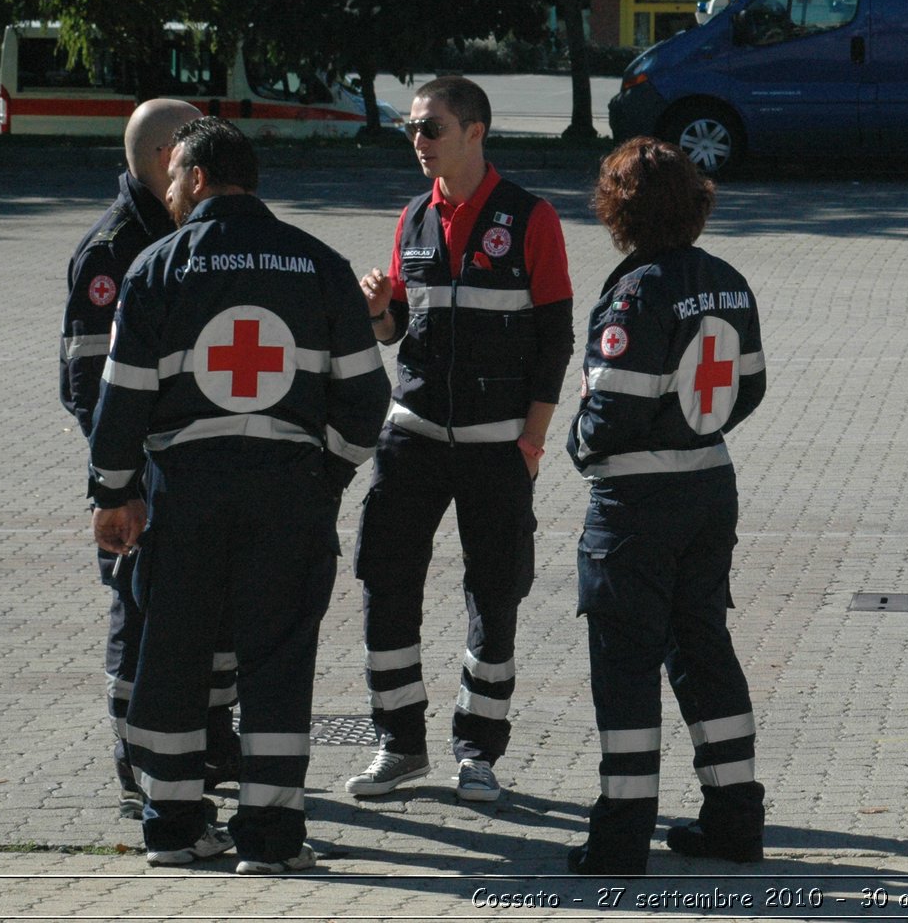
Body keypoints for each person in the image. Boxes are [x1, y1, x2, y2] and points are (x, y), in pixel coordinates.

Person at [88, 117, 391, 872]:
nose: (168, 197)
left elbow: (122, 397)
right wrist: (327, 475)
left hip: (185, 497)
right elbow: (365, 398)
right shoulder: (320, 265)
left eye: (172, 184)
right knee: (279, 666)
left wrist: (114, 493)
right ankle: (271, 839)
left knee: (175, 659)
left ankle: (175, 829)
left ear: (194, 178)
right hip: (289, 498)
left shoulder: (157, 266)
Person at [347, 76, 574, 803]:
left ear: (475, 132)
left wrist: (531, 443)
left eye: (431, 128)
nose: (418, 141)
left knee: (495, 592)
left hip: (496, 444)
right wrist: (381, 313)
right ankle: (398, 745)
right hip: (410, 435)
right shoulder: (414, 216)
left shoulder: (531, 218)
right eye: (413, 129)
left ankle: (477, 752)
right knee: (385, 581)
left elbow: (555, 341)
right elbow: (399, 336)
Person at [565, 138, 767, 875]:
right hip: (710, 487)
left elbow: (610, 409)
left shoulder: (636, 291)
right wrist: (696, 429)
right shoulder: (728, 281)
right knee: (705, 650)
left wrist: (580, 446)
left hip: (635, 504)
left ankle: (620, 839)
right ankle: (736, 820)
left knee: (625, 667)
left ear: (620, 209)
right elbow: (750, 385)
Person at [59, 98, 243, 819]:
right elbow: (86, 382)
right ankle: (135, 765)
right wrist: (125, 482)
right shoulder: (113, 249)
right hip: (142, 484)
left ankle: (208, 745)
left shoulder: (188, 234)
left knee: (213, 617)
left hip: (197, 476)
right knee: (138, 624)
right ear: (172, 156)